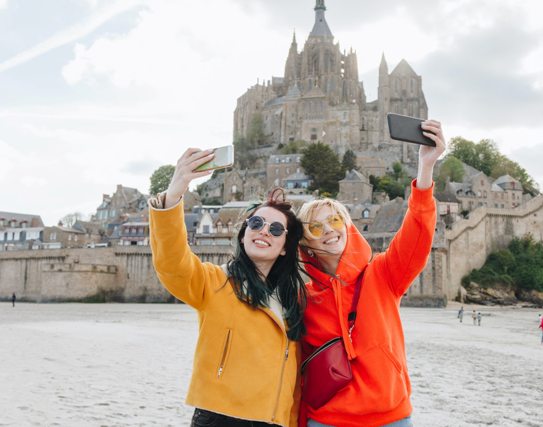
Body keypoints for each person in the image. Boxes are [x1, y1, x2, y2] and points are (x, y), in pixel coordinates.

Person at [297, 120, 445, 427]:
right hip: (327, 420)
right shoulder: (303, 297)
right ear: (305, 243)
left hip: (389, 417)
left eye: (336, 220)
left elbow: (416, 235)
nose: (328, 230)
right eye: (315, 227)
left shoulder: (381, 274)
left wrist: (425, 170)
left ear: (348, 226)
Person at [149, 148, 307, 427]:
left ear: (285, 247)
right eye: (256, 223)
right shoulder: (215, 282)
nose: (263, 231)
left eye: (275, 229)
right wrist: (174, 197)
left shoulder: (293, 300)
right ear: (244, 232)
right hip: (220, 418)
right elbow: (173, 264)